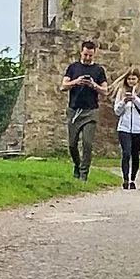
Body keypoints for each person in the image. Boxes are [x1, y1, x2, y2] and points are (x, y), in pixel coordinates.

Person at [59, 39, 109, 180]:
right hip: (74, 110)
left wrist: (94, 85)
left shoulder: (99, 70)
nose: (87, 58)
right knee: (72, 144)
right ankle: (77, 164)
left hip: (90, 111)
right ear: (81, 52)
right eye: (85, 55)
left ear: (94, 55)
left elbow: (105, 91)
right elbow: (63, 86)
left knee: (87, 143)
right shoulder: (73, 68)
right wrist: (76, 82)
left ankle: (83, 174)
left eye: (90, 56)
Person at [112, 67, 140, 189]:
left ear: (138, 79)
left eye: (133, 79)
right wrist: (124, 101)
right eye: (129, 79)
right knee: (126, 153)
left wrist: (135, 99)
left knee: (135, 154)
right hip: (124, 128)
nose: (131, 81)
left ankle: (132, 179)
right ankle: (125, 179)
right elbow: (117, 111)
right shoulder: (121, 91)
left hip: (139, 129)